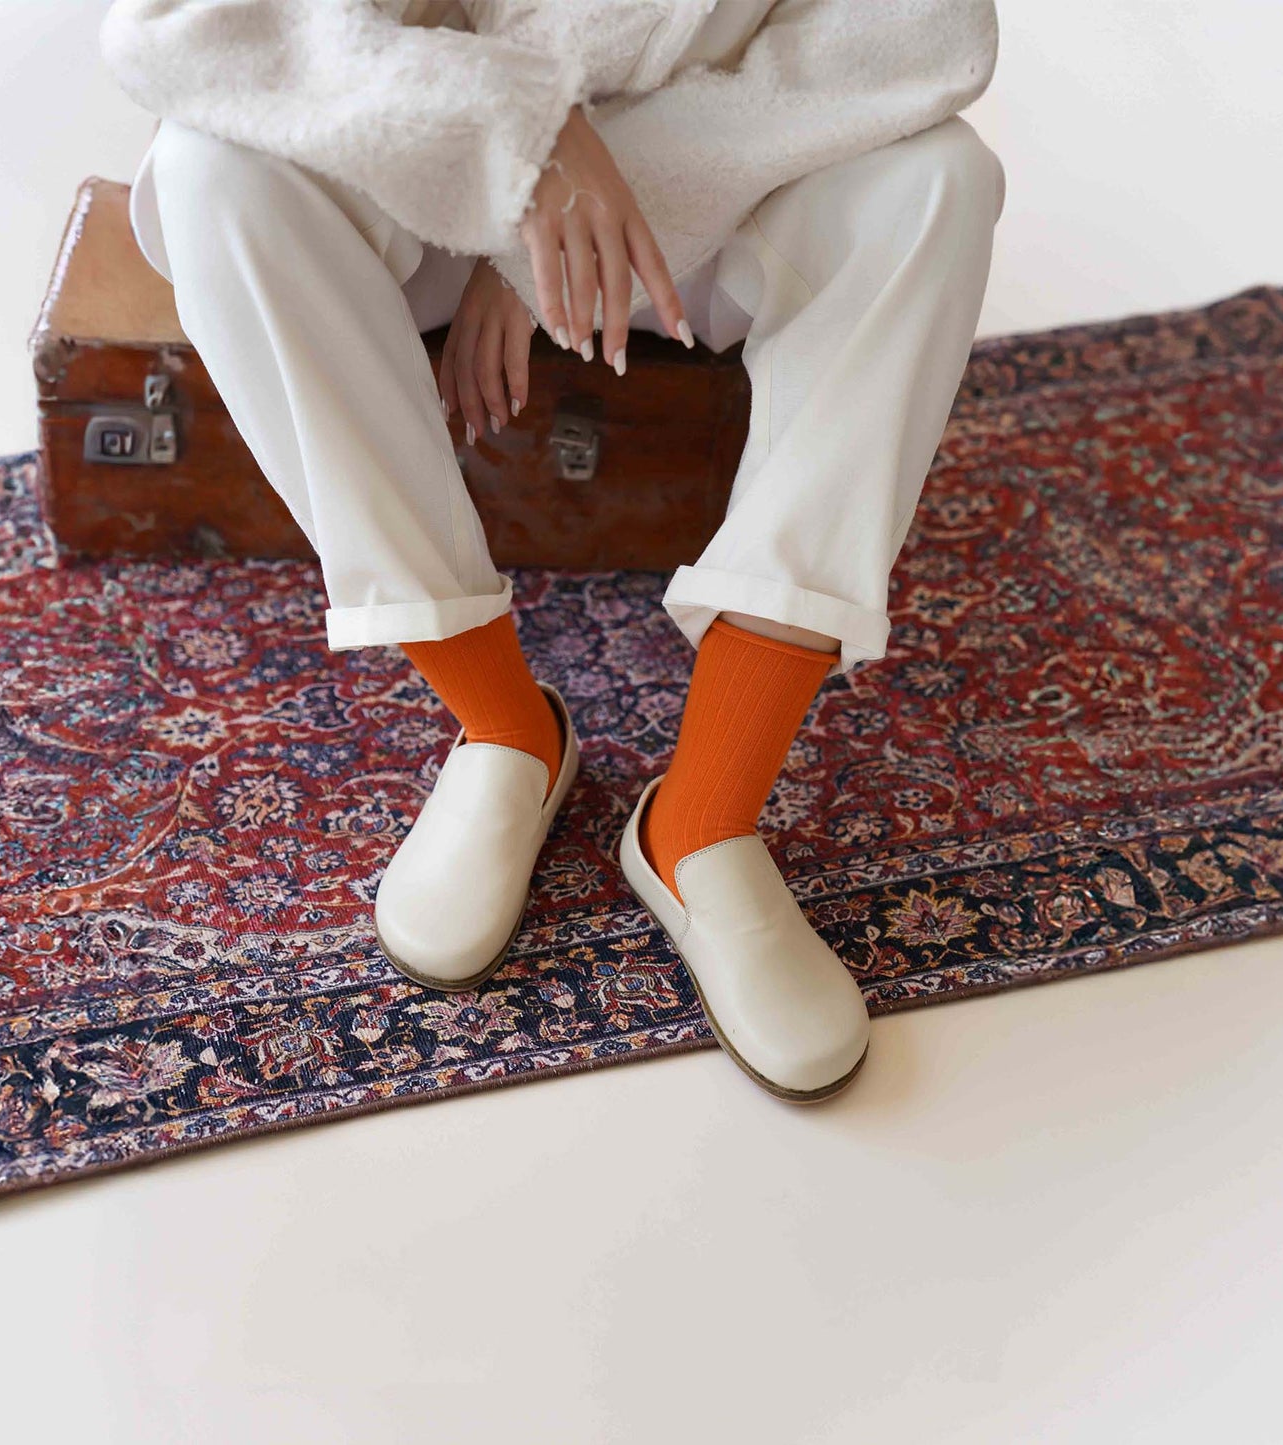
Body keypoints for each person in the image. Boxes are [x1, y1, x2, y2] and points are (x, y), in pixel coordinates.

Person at [99, 0, 1005, 1103]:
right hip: (418, 165)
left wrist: (567, 224)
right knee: (210, 172)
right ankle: (506, 729)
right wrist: (519, 141)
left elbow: (915, 40)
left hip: (709, 194)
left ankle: (702, 820)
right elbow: (179, 27)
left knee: (938, 182)